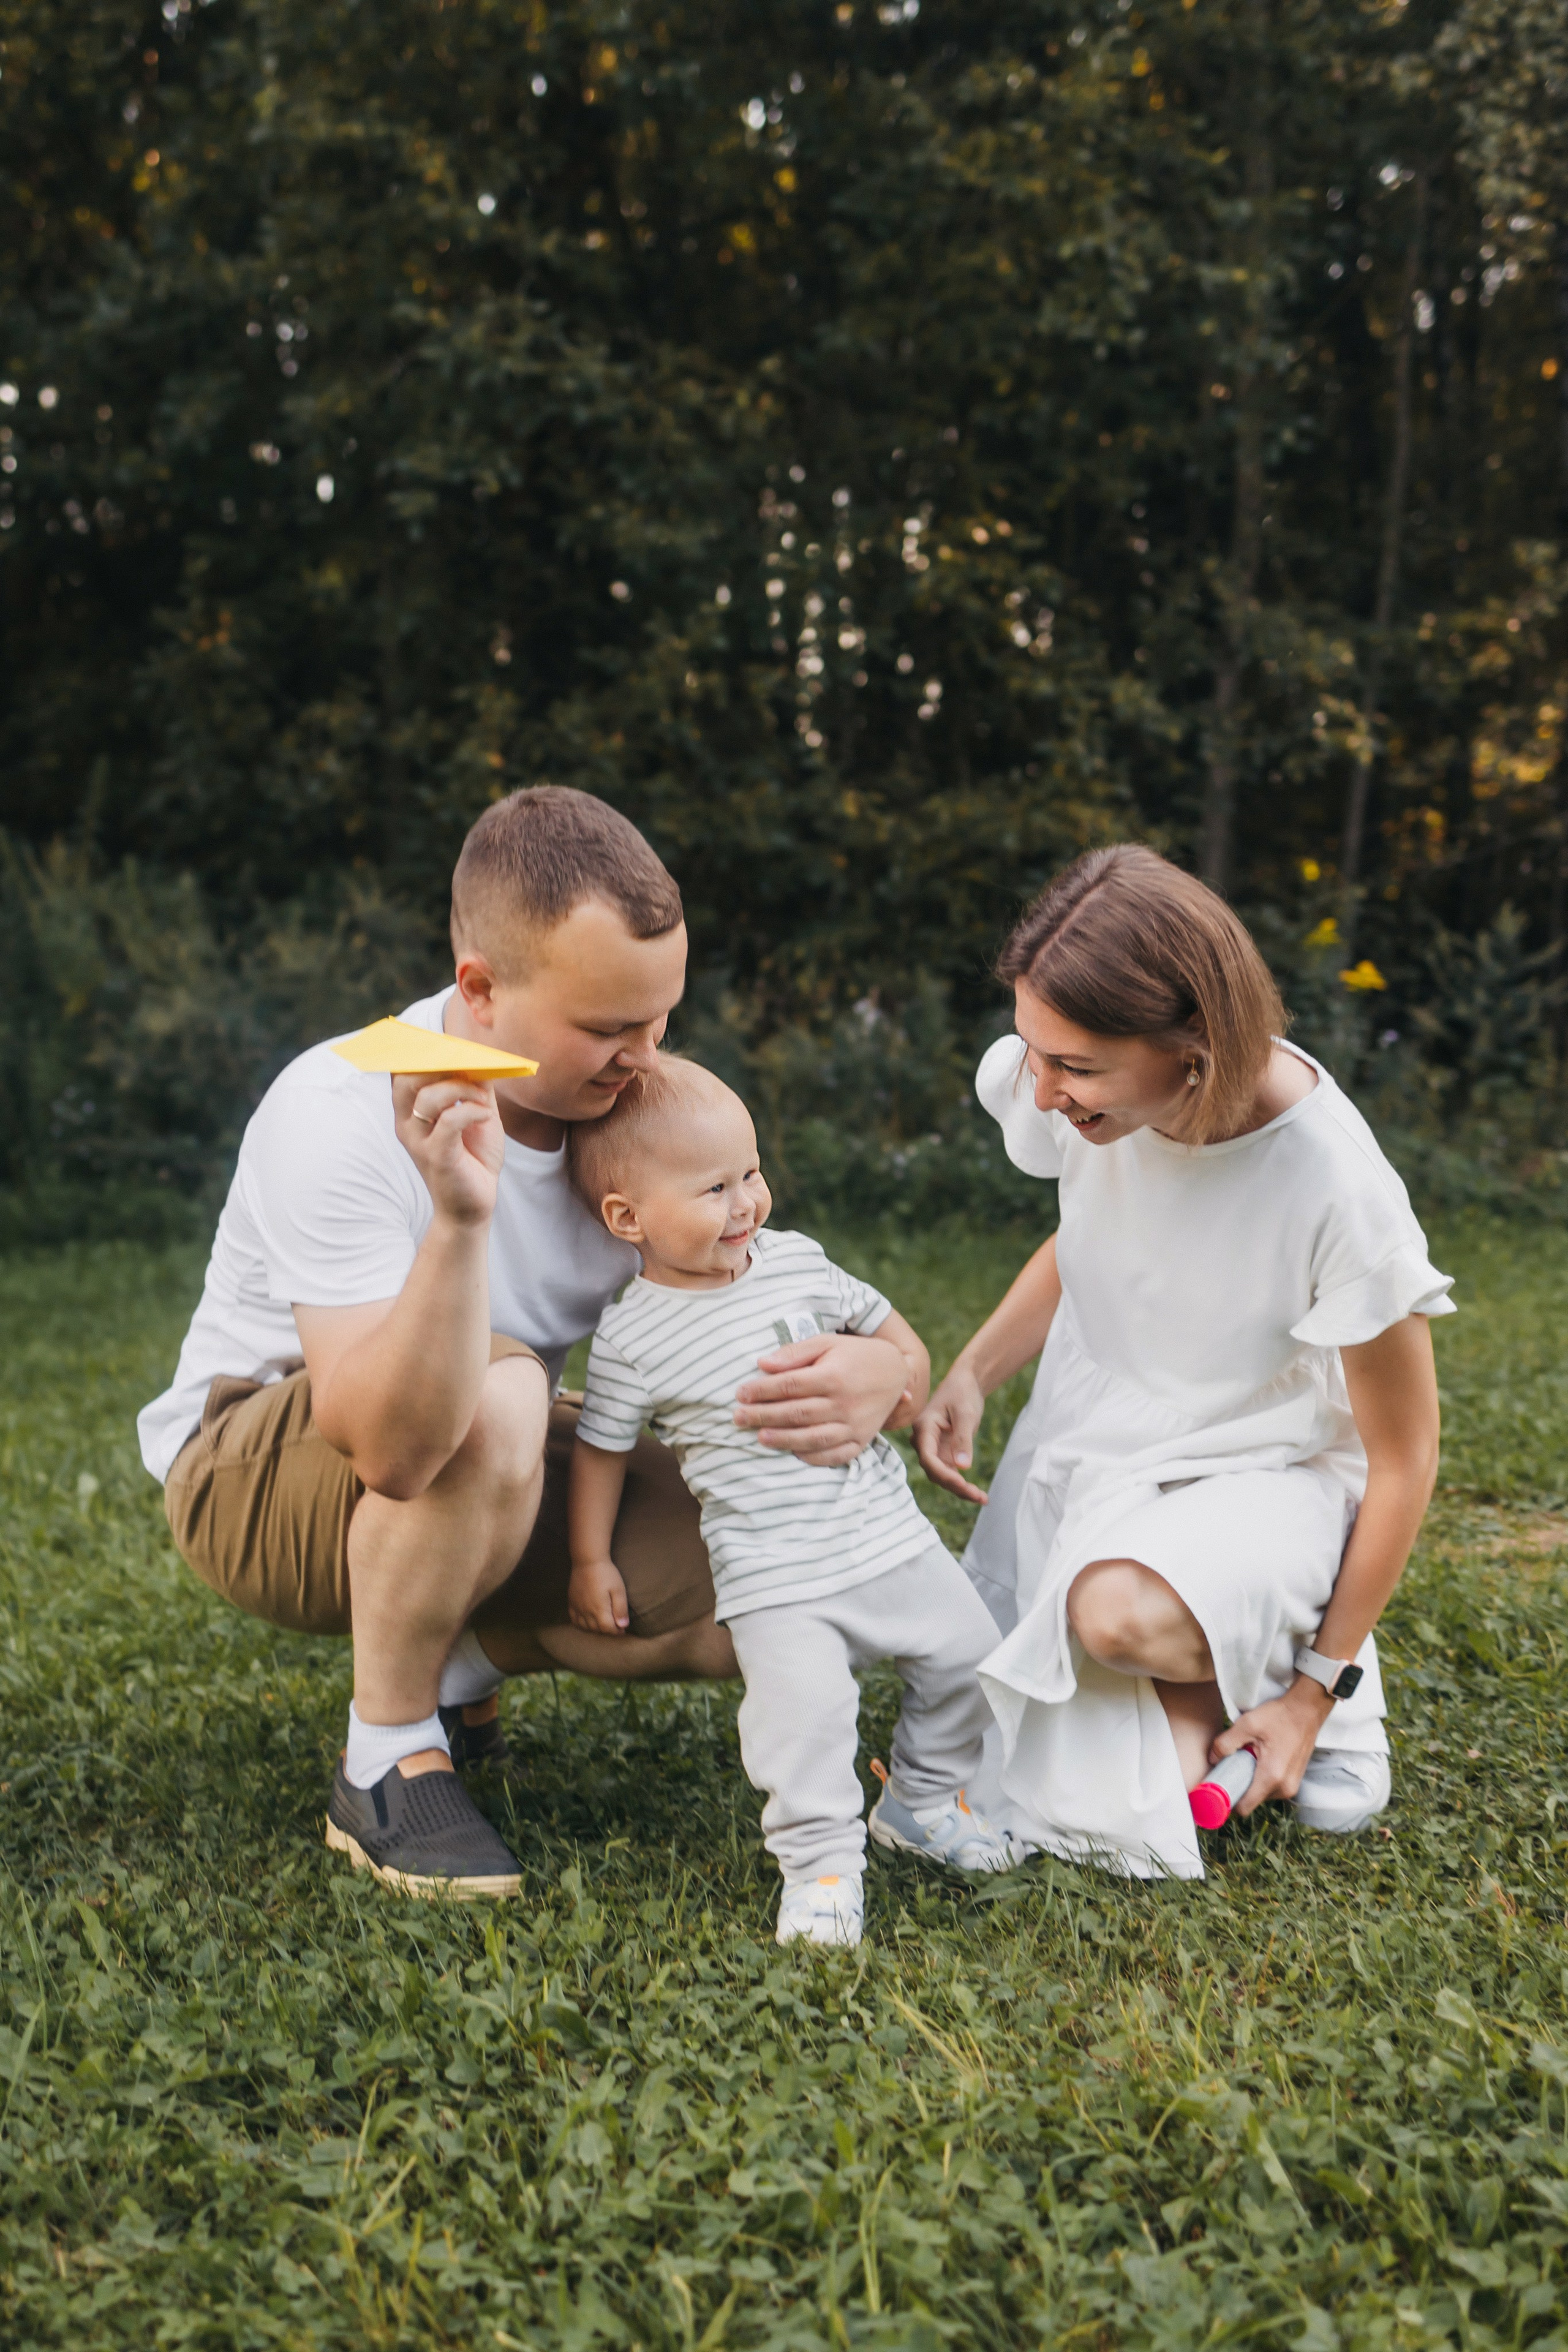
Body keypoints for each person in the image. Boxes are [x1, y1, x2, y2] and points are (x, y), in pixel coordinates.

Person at [137, 788, 916, 1899]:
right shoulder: (341, 1103)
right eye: (607, 1029)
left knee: (765, 1575)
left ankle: (450, 1657)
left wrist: (880, 1369)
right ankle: (387, 1759)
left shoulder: (629, 1116)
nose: (643, 1059)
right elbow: (388, 1450)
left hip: (481, 1460)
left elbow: (775, 1281)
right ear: (482, 990)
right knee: (497, 1396)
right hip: (261, 1469)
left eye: (662, 1020)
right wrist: (461, 1218)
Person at [913, 845, 1449, 1881]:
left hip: (1263, 1463)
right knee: (977, 1673)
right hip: (1094, 1436)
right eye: (1032, 1049)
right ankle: (1227, 1683)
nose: (1043, 1087)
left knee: (1108, 1615)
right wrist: (975, 1370)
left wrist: (1311, 1693)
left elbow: (1404, 1460)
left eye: (1072, 1066)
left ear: (1194, 1043)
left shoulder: (1333, 1182)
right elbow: (1093, 1236)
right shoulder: (1083, 1088)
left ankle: (1324, 1702)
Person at [564, 1057, 1022, 1946]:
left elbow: (893, 1337)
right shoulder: (631, 1335)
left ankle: (922, 1801)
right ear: (629, 1218)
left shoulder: (799, 1262)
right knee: (803, 1729)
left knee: (972, 1657)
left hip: (885, 1534)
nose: (746, 1204)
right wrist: (590, 1557)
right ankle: (819, 1869)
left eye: (752, 1174)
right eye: (713, 1189)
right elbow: (600, 1451)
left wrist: (898, 1377)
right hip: (772, 1573)